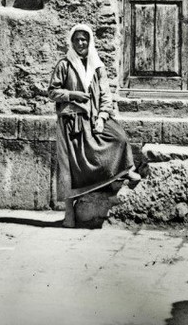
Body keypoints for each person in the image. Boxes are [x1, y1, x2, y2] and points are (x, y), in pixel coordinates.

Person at [49, 23, 141, 227]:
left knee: (119, 138)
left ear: (90, 42)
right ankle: (69, 213)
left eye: (85, 39)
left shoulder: (97, 67)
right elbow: (52, 92)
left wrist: (101, 117)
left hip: (93, 119)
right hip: (71, 122)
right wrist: (72, 95)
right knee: (70, 168)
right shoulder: (64, 65)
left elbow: (106, 96)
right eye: (77, 39)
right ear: (71, 42)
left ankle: (125, 169)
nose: (81, 43)